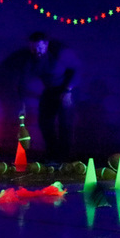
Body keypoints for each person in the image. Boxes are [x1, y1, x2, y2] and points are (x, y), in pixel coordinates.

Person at [21, 32, 80, 162]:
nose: (37, 51)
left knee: (65, 124)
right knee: (45, 122)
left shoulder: (60, 53)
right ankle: (52, 153)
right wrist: (23, 100)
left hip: (66, 89)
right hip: (49, 90)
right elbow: (24, 78)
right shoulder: (31, 58)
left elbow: (77, 70)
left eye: (40, 48)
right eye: (33, 48)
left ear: (46, 44)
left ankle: (65, 157)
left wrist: (68, 90)